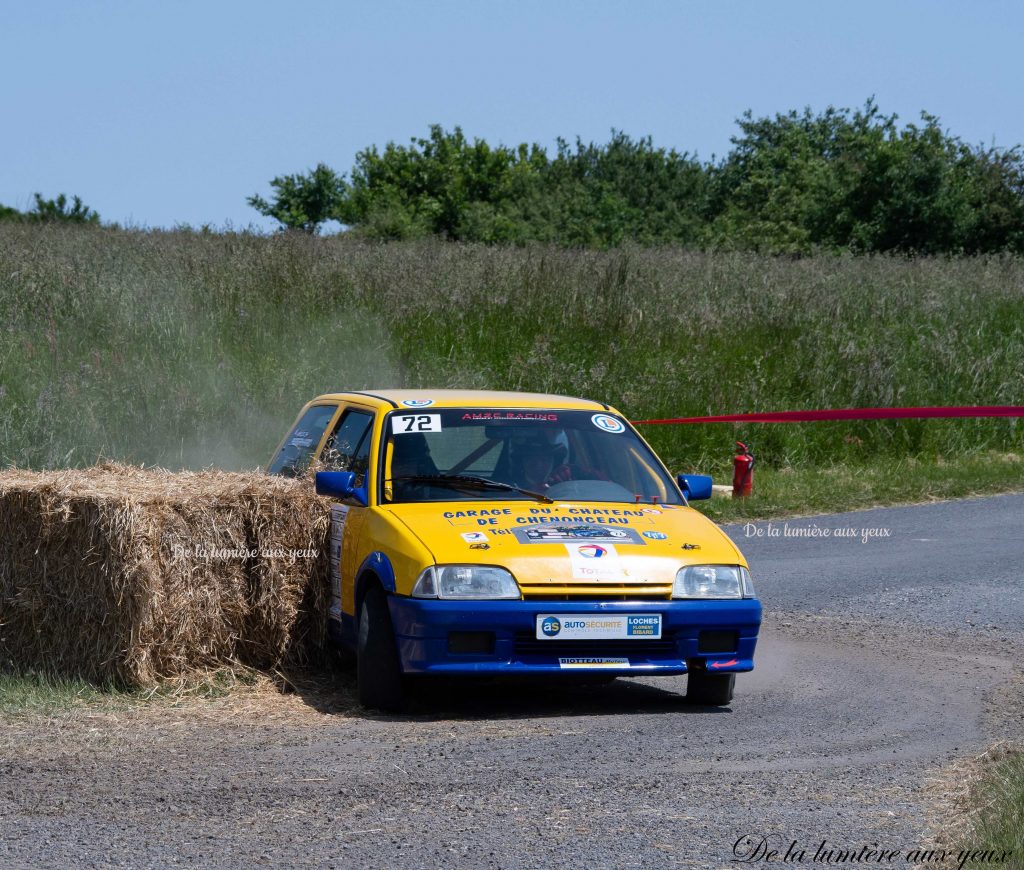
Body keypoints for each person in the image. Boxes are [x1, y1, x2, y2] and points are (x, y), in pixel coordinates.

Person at [388, 434, 437, 500]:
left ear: (419, 466)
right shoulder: (378, 491)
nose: (404, 468)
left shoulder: (438, 492)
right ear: (389, 466)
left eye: (409, 463)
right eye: (399, 463)